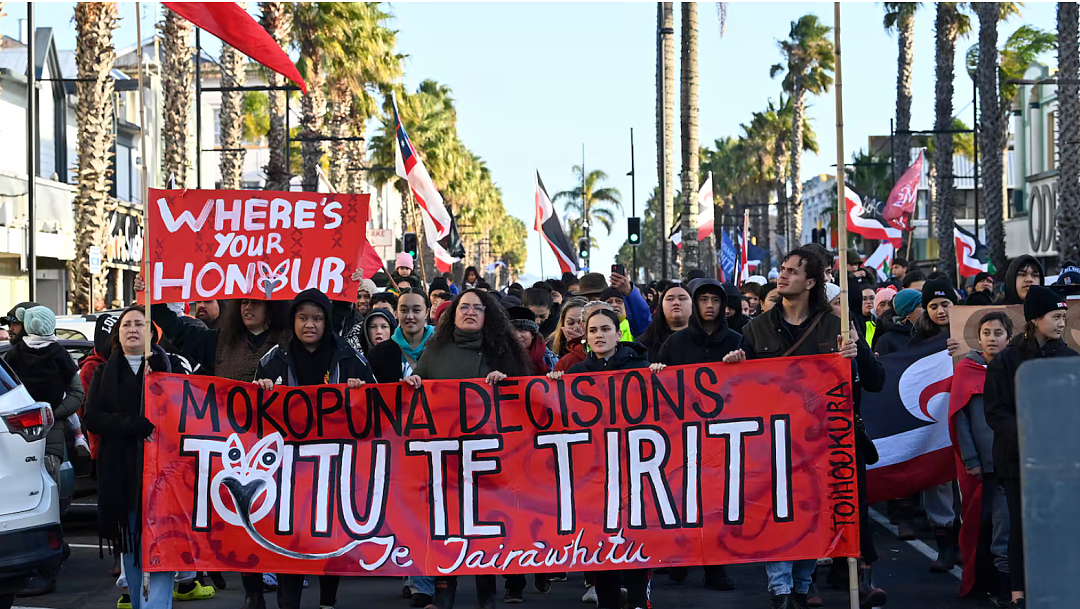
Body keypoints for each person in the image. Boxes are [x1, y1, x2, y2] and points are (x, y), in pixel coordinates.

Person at [726, 246, 885, 609]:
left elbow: (875, 382)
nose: (782, 275)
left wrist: (857, 352)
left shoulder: (839, 327)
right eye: (781, 269)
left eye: (792, 271)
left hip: (827, 442)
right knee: (779, 512)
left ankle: (802, 585)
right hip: (775, 442)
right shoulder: (756, 328)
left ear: (811, 282)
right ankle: (780, 591)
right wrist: (734, 364)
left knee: (816, 514)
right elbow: (739, 392)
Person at [404, 289, 530, 608]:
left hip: (490, 459)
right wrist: (414, 384)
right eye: (464, 307)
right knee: (448, 525)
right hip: (445, 459)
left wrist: (507, 383)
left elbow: (528, 399)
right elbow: (413, 396)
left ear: (488, 316)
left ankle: (486, 596)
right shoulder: (435, 351)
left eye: (477, 308)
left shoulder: (504, 353)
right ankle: (444, 594)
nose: (470, 312)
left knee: (484, 529)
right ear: (453, 314)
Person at [255, 289, 375, 609]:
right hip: (286, 468)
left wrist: (362, 393)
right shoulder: (272, 360)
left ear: (327, 322)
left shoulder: (350, 358)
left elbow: (378, 405)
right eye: (303, 318)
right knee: (287, 536)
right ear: (293, 320)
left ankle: (327, 601)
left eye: (318, 318)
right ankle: (288, 602)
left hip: (333, 465)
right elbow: (251, 416)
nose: (310, 325)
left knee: (329, 537)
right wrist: (262, 391)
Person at [85, 306, 203, 609]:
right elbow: (94, 418)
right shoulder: (103, 372)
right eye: (127, 325)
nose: (133, 329)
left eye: (140, 324)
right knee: (133, 548)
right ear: (118, 334)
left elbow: (185, 414)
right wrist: (133, 425)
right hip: (122, 474)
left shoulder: (170, 368)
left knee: (163, 546)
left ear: (152, 333)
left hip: (163, 475)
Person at [548, 308, 651, 609]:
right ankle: (606, 601)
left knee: (634, 539)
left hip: (634, 470)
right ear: (586, 338)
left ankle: (637, 601)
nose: (599, 336)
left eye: (606, 329)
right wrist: (553, 387)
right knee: (600, 542)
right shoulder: (576, 376)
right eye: (593, 331)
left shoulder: (639, 366)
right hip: (593, 473)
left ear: (619, 334)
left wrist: (661, 375)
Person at [985, 287, 1075, 609]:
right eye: (1056, 316)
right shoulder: (1006, 360)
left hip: (1059, 463)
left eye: (1064, 317)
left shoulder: (1070, 359)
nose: (1062, 323)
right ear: (1035, 319)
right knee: (1021, 527)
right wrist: (1029, 436)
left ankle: (1056, 585)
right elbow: (995, 412)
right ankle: (1018, 593)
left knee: (1057, 525)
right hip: (1016, 461)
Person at [649, 279, 741, 592]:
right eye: (704, 299)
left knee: (717, 504)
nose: (710, 305)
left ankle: (716, 568)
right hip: (681, 436)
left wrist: (742, 365)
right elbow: (657, 391)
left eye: (716, 299)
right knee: (682, 500)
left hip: (722, 435)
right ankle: (682, 558)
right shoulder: (674, 345)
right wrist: (659, 371)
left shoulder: (738, 341)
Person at [3, 305, 84, 595]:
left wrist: (52, 414)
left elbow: (77, 393)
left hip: (43, 436)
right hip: (31, 437)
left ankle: (48, 571)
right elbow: (76, 394)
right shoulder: (14, 357)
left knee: (45, 503)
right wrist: (56, 413)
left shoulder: (18, 356)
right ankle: (50, 558)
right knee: (36, 504)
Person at [948, 311, 1013, 602]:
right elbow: (959, 418)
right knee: (978, 524)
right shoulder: (966, 368)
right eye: (986, 333)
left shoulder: (1016, 368)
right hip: (981, 465)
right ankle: (982, 581)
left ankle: (1005, 586)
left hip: (1010, 463)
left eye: (998, 333)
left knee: (1004, 525)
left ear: (1009, 338)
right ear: (979, 337)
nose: (991, 338)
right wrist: (971, 459)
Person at [367, 291, 434, 385]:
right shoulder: (378, 353)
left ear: (427, 312)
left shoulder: (441, 349)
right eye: (404, 310)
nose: (410, 316)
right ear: (396, 313)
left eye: (416, 310)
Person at [638, 283, 692, 362]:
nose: (676, 303)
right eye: (670, 299)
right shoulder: (644, 343)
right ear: (661, 305)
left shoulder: (705, 338)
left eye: (682, 299)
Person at [508, 306, 558, 374]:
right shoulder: (495, 359)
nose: (517, 336)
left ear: (532, 334)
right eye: (512, 331)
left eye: (522, 330)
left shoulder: (550, 359)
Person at [872, 288, 922, 356]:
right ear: (907, 312)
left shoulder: (929, 332)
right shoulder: (887, 340)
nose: (925, 309)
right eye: (920, 306)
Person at [550, 297, 590, 372]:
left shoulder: (598, 346)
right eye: (570, 323)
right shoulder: (549, 346)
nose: (575, 328)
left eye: (581, 323)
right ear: (563, 323)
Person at [609, 270, 653, 337]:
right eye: (609, 302)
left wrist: (629, 291)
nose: (614, 305)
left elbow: (643, 319)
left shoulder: (633, 327)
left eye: (619, 301)